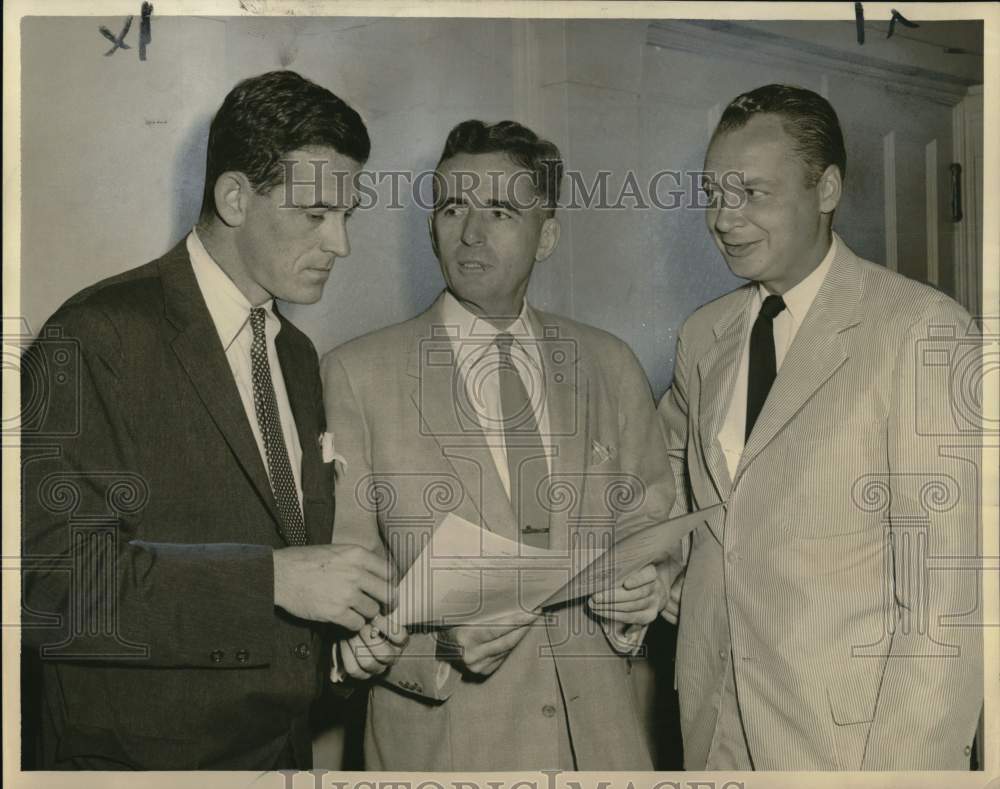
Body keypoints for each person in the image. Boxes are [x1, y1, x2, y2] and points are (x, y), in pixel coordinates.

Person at [20, 70, 399, 770]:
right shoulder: (97, 336)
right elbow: (51, 585)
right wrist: (276, 581)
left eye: (348, 216)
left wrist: (343, 643)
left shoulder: (294, 353)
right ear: (233, 197)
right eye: (316, 214)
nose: (340, 244)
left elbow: (290, 556)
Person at [320, 119, 680, 770]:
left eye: (500, 210)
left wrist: (645, 590)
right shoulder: (356, 374)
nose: (471, 232)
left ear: (548, 236)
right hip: (447, 752)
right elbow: (344, 590)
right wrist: (438, 651)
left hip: (604, 748)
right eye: (453, 206)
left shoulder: (610, 363)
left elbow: (654, 529)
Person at [659, 84, 983, 770]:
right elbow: (674, 499)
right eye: (714, 193)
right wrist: (661, 570)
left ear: (827, 188)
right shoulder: (702, 337)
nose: (724, 217)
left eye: (753, 193)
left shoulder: (923, 333)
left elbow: (943, 612)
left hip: (846, 752)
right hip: (712, 733)